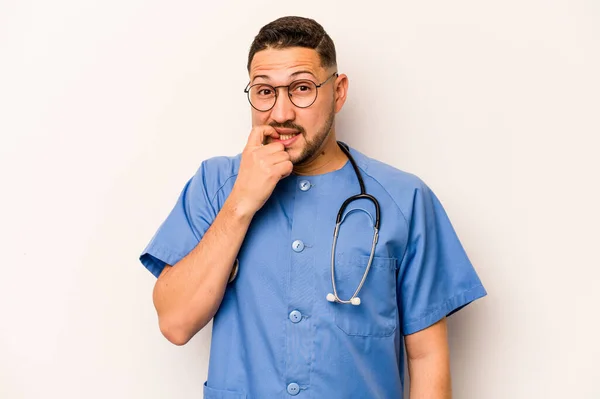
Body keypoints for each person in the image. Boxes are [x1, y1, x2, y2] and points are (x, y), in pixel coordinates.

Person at [139, 16, 487, 399]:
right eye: (264, 92)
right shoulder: (215, 185)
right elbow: (175, 323)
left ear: (338, 92)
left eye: (301, 89)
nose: (281, 112)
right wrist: (240, 204)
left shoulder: (405, 200)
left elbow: (426, 359)